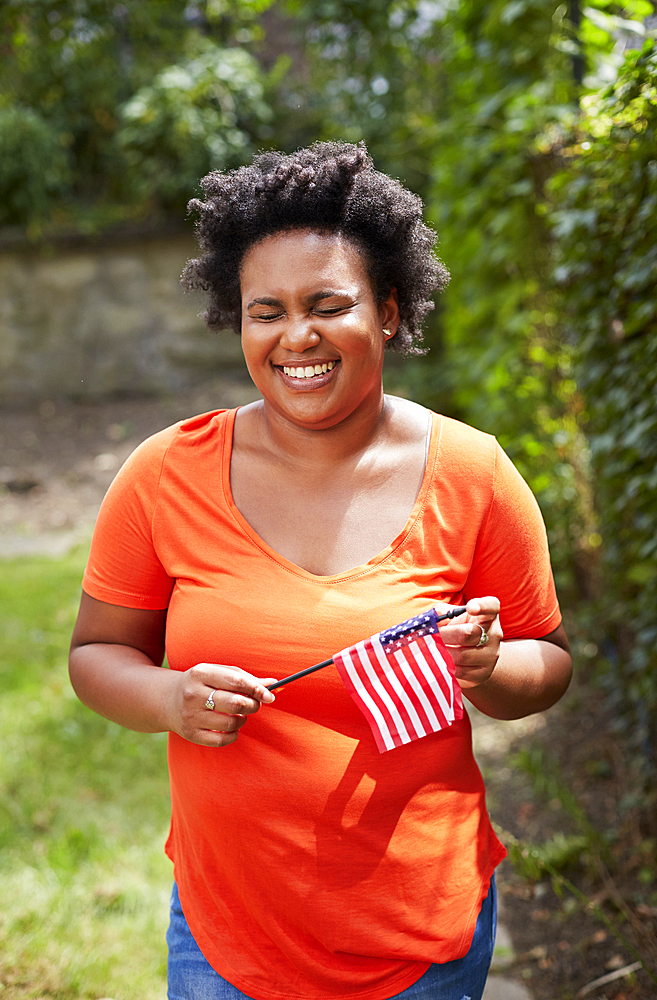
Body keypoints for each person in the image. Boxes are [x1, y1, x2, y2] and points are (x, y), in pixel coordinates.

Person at [69, 141, 572, 1000]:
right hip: (228, 933)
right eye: (265, 311)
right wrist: (169, 698)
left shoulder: (473, 473)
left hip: (421, 937)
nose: (295, 336)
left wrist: (490, 669)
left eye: (327, 304)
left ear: (388, 309)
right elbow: (95, 656)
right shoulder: (164, 474)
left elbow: (549, 662)